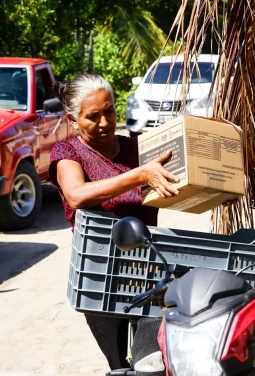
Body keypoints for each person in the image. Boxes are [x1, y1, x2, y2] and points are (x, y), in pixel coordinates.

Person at [48, 74, 179, 370]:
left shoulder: (138, 149)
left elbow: (173, 189)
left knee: (153, 360)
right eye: (93, 116)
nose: (105, 122)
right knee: (119, 365)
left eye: (109, 111)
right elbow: (77, 195)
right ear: (73, 119)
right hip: (99, 276)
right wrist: (138, 176)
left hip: (148, 271)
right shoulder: (67, 153)